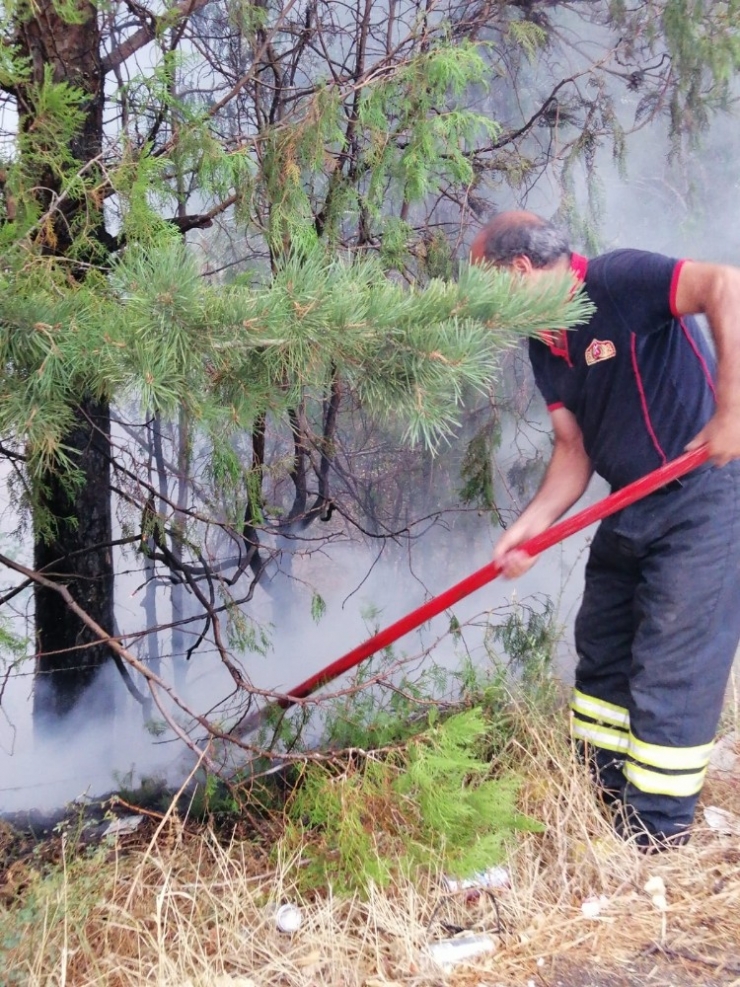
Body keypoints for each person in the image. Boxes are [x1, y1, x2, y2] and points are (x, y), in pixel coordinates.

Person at [470, 210, 740, 849]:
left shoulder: (616, 281)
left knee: (672, 662)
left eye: (484, 287)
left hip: (702, 496)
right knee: (604, 645)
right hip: (631, 500)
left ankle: (653, 836)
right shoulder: (546, 345)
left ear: (519, 271)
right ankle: (603, 796)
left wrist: (732, 410)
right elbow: (573, 450)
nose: (482, 306)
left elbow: (724, 286)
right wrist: (527, 529)